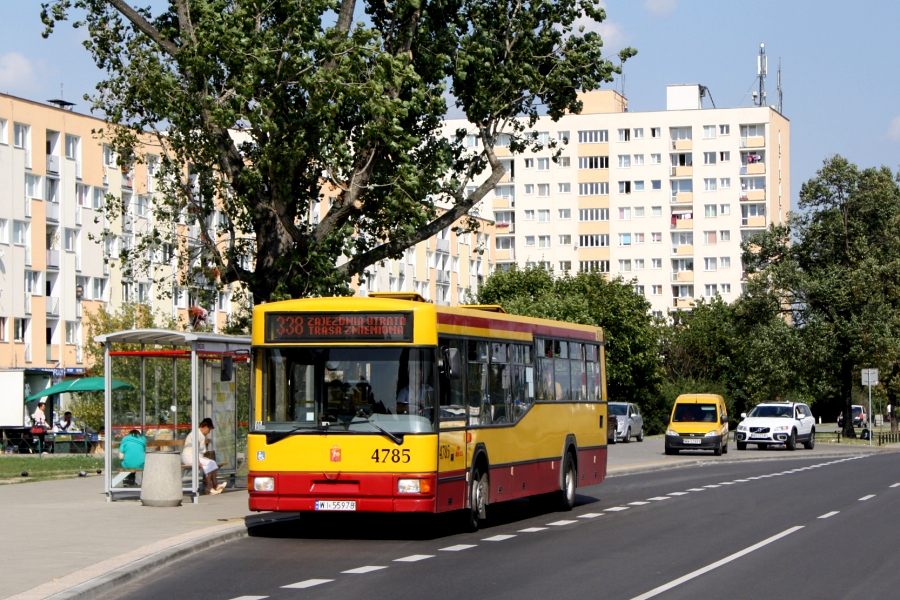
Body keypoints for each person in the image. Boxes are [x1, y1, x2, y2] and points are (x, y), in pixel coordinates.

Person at [182, 418, 225, 494]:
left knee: (212, 463)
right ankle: (209, 487)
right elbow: (195, 449)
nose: (209, 432)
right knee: (210, 463)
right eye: (209, 429)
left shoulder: (200, 435)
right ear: (205, 427)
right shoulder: (196, 434)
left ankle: (215, 485)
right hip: (190, 456)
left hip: (195, 456)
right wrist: (197, 461)